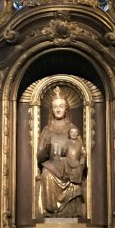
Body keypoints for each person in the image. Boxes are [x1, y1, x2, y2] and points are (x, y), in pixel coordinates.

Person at [36, 86, 86, 218]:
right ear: (52, 109)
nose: (58, 109)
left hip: (69, 167)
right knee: (46, 175)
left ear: (66, 109)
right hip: (52, 166)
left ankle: (70, 213)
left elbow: (81, 151)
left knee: (74, 178)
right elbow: (39, 157)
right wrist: (45, 147)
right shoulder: (47, 129)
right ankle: (51, 211)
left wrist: (79, 165)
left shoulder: (72, 129)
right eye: (55, 106)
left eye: (61, 106)